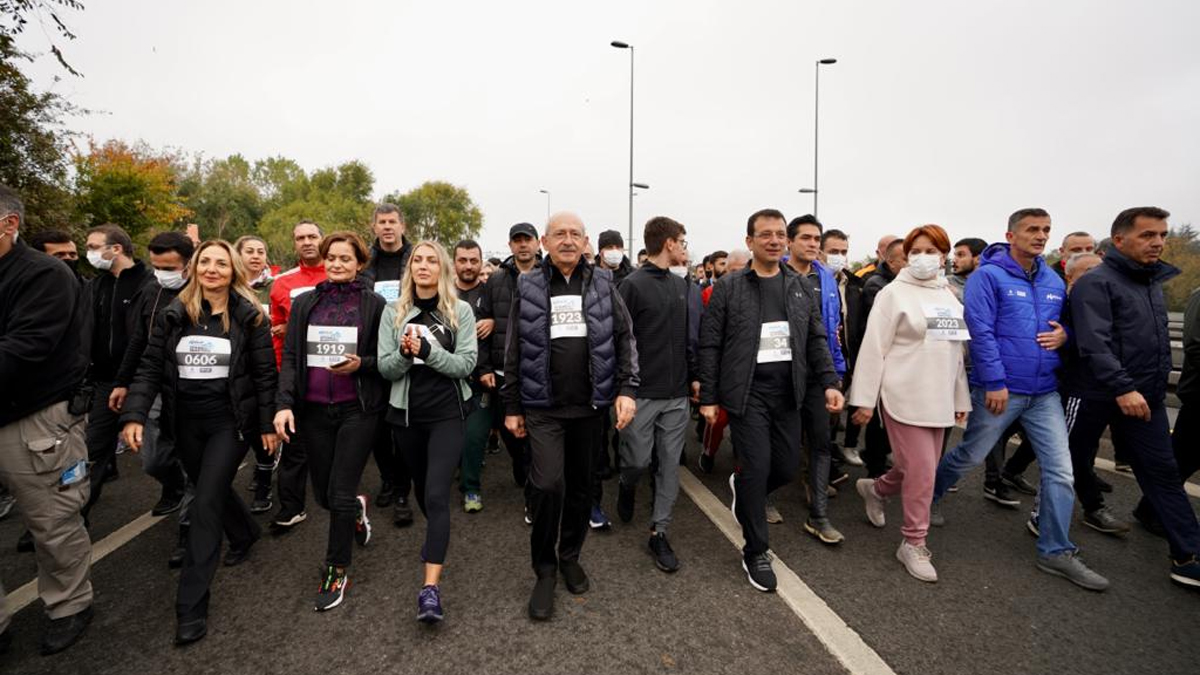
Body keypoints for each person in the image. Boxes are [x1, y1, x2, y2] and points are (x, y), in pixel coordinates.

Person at [931, 208, 1109, 592]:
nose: (1040, 235)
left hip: (1044, 391)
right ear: (1010, 235)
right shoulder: (987, 277)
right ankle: (929, 496)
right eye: (1032, 229)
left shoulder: (1053, 280)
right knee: (971, 455)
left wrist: (1067, 338)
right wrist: (993, 381)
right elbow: (980, 330)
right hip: (1001, 388)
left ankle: (1055, 551)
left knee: (1061, 471)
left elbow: (1070, 326)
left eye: (1046, 230)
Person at [120, 239, 278, 645]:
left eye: (221, 264)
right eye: (205, 262)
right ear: (194, 268)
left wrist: (266, 425)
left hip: (230, 424)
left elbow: (264, 376)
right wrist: (135, 413)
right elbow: (151, 366)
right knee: (212, 487)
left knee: (205, 502)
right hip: (184, 423)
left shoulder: (250, 318)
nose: (212, 269)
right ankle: (243, 533)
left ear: (233, 271)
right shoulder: (174, 316)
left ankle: (190, 606)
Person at [502, 212, 638, 620]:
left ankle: (570, 555)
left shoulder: (601, 282)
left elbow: (623, 336)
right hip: (543, 408)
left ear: (585, 242)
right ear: (544, 240)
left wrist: (627, 390)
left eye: (574, 234)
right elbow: (514, 348)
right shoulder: (527, 284)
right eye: (559, 234)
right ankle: (543, 570)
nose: (566, 240)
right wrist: (511, 406)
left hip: (590, 407)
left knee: (582, 487)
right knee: (546, 486)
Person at [698, 209, 843, 592]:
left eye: (780, 234)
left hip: (789, 393)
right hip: (748, 394)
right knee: (758, 466)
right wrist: (709, 396)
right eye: (766, 234)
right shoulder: (730, 287)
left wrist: (829, 381)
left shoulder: (798, 286)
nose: (775, 240)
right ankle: (756, 550)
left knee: (785, 466)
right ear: (750, 242)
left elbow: (815, 338)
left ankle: (744, 488)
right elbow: (710, 343)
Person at [1066, 207, 1199, 587]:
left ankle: (1188, 554)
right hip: (1095, 393)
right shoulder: (1097, 282)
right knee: (1068, 463)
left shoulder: (1151, 283)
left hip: (1146, 399)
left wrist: (1144, 389)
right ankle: (1049, 523)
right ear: (1120, 240)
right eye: (1147, 235)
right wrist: (1122, 386)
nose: (1158, 242)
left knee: (1164, 474)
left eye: (1161, 235)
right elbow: (1095, 342)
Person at [0, 185, 95, 655]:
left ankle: (69, 604)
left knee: (51, 522)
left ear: (9, 223)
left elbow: (23, 350)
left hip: (33, 421)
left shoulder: (44, 276)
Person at [849, 225, 971, 582]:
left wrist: (959, 396)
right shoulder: (892, 294)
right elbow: (874, 348)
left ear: (943, 256)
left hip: (940, 397)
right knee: (921, 470)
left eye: (931, 251)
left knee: (921, 467)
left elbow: (955, 351)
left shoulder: (949, 295)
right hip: (902, 393)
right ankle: (913, 542)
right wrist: (865, 400)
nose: (923, 257)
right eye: (916, 250)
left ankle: (876, 488)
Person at [274, 232, 387, 611]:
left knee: (338, 492)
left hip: (358, 409)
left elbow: (384, 359)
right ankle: (355, 510)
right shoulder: (306, 303)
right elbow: (291, 356)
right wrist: (284, 403)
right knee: (323, 495)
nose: (337, 264)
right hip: (314, 411)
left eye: (345, 258)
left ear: (359, 263)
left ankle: (336, 569)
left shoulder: (374, 304)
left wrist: (362, 365)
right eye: (332, 258)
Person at [379, 240, 478, 622]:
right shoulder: (393, 312)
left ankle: (430, 590)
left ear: (443, 269)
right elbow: (386, 369)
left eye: (431, 260)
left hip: (448, 415)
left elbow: (465, 364)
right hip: (406, 417)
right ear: (410, 269)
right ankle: (436, 536)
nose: (423, 266)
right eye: (417, 260)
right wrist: (404, 355)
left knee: (437, 495)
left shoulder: (460, 311)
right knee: (423, 491)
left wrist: (426, 351)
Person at [615, 216, 699, 572]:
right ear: (668, 244)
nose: (684, 247)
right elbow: (619, 340)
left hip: (677, 395)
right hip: (641, 394)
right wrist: (624, 389)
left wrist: (694, 377)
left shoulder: (683, 286)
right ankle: (626, 483)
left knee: (668, 465)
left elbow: (687, 338)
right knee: (637, 461)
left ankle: (658, 531)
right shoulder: (631, 285)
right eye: (682, 241)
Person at [112, 232, 195, 566]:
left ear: (188, 265)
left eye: (170, 267)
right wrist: (123, 382)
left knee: (196, 465)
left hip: (194, 389)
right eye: (157, 266)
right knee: (153, 459)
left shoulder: (205, 291)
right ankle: (172, 486)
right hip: (155, 385)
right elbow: (138, 343)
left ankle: (189, 531)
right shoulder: (151, 291)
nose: (162, 272)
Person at [81, 223, 154, 521]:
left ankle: (175, 490)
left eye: (93, 247)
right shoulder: (96, 286)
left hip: (144, 380)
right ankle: (74, 516)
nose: (89, 253)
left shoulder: (149, 282)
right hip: (103, 382)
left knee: (157, 455)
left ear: (116, 248)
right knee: (93, 451)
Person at [785, 215, 847, 543]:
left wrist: (835, 374)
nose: (812, 244)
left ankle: (818, 515)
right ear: (789, 241)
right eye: (805, 238)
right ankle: (761, 497)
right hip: (780, 375)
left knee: (821, 442)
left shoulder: (825, 279)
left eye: (816, 239)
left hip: (818, 374)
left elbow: (831, 332)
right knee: (782, 446)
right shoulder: (773, 274)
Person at [358, 204, 417, 524]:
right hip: (373, 349)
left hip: (408, 348)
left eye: (393, 221)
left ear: (402, 224)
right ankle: (389, 478)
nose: (388, 227)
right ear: (374, 227)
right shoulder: (365, 263)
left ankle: (402, 492)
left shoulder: (415, 257)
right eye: (382, 222)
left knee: (402, 426)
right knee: (378, 427)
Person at [477, 223, 541, 518]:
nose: (523, 245)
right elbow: (483, 324)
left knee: (535, 438)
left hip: (539, 372)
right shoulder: (496, 280)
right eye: (517, 241)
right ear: (510, 245)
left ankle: (533, 495)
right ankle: (520, 464)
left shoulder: (548, 277)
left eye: (527, 240)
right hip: (503, 373)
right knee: (509, 432)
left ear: (538, 243)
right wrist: (484, 366)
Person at [269, 221, 327, 531]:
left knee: (331, 445)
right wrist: (282, 376)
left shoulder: (342, 272)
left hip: (336, 376)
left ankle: (340, 499)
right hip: (296, 374)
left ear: (323, 238)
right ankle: (291, 506)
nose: (306, 242)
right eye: (300, 238)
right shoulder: (281, 283)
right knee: (293, 442)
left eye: (312, 236)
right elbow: (278, 334)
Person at [696, 248, 751, 473]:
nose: (737, 276)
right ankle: (708, 452)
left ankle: (744, 466)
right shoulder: (710, 293)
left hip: (748, 368)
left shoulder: (757, 293)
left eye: (742, 271)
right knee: (718, 420)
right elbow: (706, 336)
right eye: (733, 271)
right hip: (720, 368)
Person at [235, 235, 278, 513]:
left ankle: (264, 479)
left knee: (264, 425)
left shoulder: (275, 286)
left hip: (268, 364)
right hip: (236, 370)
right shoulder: (229, 287)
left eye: (260, 251)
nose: (255, 256)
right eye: (249, 251)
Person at [858, 238, 905, 478]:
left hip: (905, 367)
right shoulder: (877, 286)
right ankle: (874, 467)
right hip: (884, 361)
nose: (911, 263)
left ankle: (879, 457)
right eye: (905, 258)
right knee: (879, 420)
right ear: (891, 260)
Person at [452, 239, 492, 513]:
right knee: (450, 438)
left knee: (475, 437)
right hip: (447, 379)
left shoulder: (492, 292)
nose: (468, 265)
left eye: (473, 260)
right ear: (453, 262)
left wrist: (495, 320)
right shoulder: (443, 293)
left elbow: (512, 319)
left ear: (481, 262)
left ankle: (472, 488)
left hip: (481, 380)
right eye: (463, 260)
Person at [820, 229, 866, 468]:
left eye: (843, 252)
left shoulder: (854, 285)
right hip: (820, 361)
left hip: (846, 361)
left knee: (833, 415)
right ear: (820, 252)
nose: (839, 256)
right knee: (820, 418)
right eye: (833, 251)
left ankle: (827, 460)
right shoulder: (811, 282)